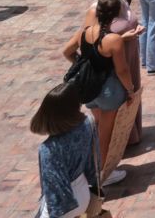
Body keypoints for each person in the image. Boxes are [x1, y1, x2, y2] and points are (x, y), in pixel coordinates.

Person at [62, 0, 140, 191]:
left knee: (97, 129)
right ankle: (102, 174)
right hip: (108, 91)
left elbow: (67, 51)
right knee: (105, 135)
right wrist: (130, 90)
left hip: (89, 89)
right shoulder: (113, 39)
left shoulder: (84, 33)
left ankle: (93, 168)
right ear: (115, 15)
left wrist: (82, 65)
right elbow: (122, 70)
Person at [32, 84, 104, 218]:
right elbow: (94, 161)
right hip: (84, 194)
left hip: (65, 204)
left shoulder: (48, 149)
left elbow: (55, 189)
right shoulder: (88, 122)